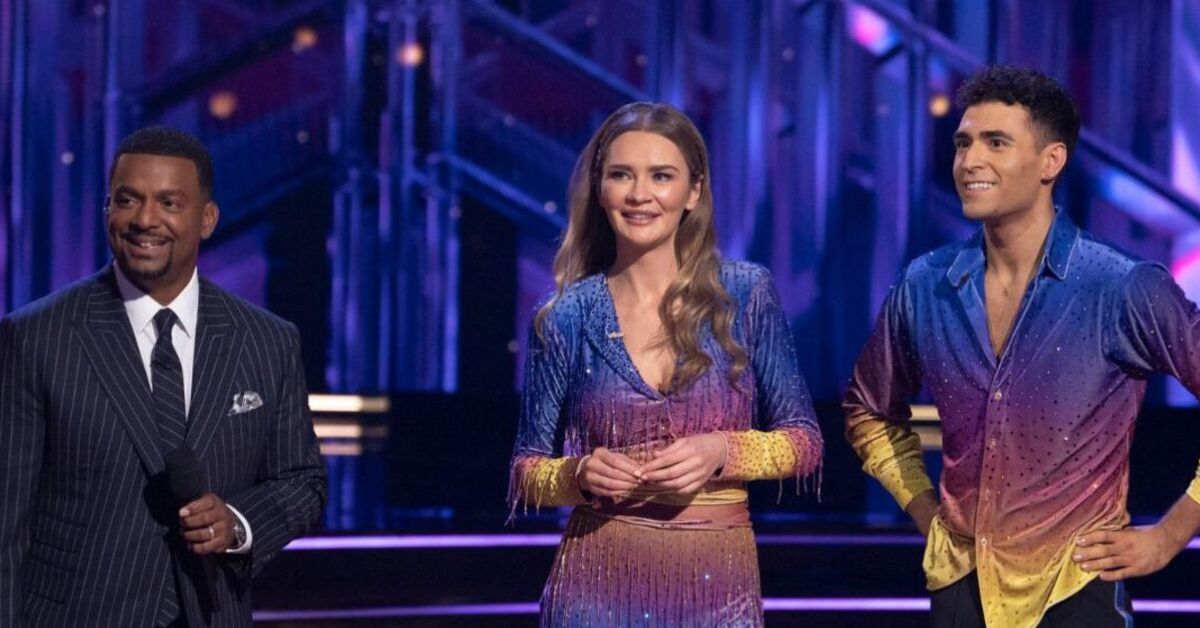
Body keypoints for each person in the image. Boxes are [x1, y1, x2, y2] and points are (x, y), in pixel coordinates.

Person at [845, 64, 1200, 628]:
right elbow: (867, 409)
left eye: (996, 143)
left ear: (1050, 162)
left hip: (1078, 587)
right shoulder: (925, 283)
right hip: (961, 588)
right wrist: (923, 509)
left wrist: (1169, 537)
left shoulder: (1121, 285)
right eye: (963, 143)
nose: (969, 162)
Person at [508, 101, 823, 626]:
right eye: (621, 176)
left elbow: (804, 441)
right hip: (594, 586)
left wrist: (722, 450)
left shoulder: (744, 294)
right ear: (600, 188)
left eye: (661, 176)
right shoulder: (563, 316)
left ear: (693, 191)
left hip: (717, 587)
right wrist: (580, 473)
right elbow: (526, 471)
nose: (639, 195)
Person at [0, 127, 328, 626]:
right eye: (127, 200)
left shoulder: (268, 340)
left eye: (169, 203)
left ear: (207, 219)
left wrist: (238, 523)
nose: (145, 219)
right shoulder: (35, 337)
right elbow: (6, 528)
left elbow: (303, 481)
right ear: (106, 211)